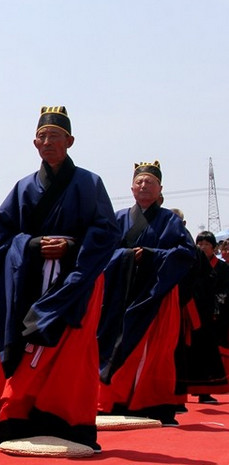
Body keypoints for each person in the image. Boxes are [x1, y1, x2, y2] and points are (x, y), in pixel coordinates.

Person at [0, 106, 119, 453]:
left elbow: (106, 231)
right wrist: (30, 245)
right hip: (29, 281)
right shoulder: (25, 187)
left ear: (70, 141)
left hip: (76, 282)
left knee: (73, 357)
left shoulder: (90, 183)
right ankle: (15, 416)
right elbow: (2, 235)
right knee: (27, 348)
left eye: (55, 137)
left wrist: (71, 246)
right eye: (42, 137)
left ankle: (68, 421)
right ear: (34, 142)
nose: (48, 142)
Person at [96, 161, 195, 425]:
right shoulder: (118, 218)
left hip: (157, 294)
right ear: (131, 188)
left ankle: (155, 404)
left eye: (149, 182)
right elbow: (103, 252)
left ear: (160, 189)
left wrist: (151, 256)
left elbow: (186, 254)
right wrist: (127, 257)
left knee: (156, 352)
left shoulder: (170, 220)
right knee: (114, 344)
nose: (143, 186)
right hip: (122, 293)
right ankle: (113, 400)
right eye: (139, 182)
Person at [178, 231, 229, 401]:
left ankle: (205, 391)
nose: (202, 247)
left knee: (206, 351)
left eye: (207, 244)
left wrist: (217, 306)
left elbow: (223, 289)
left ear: (214, 247)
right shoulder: (186, 258)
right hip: (189, 309)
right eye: (200, 243)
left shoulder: (222, 268)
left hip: (209, 313)